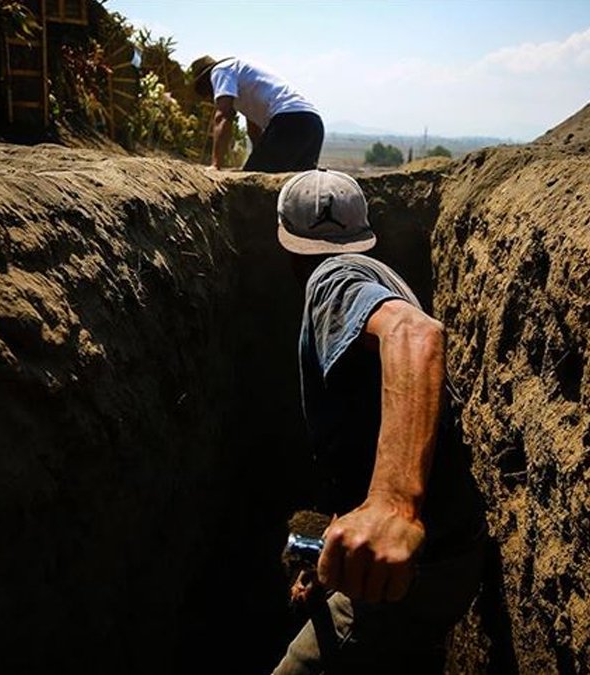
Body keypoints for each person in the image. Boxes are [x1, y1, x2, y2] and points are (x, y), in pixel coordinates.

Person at [271, 169, 486, 674]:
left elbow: (417, 334)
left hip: (418, 564)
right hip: (450, 552)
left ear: (287, 244)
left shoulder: (331, 281)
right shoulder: (380, 277)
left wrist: (393, 504)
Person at [190, 55, 324, 172]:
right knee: (296, 187)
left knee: (251, 188)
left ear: (205, 82)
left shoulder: (220, 70)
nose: (209, 98)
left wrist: (215, 164)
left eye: (206, 93)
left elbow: (223, 115)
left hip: (289, 122)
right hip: (313, 123)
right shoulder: (242, 77)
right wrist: (259, 155)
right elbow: (253, 129)